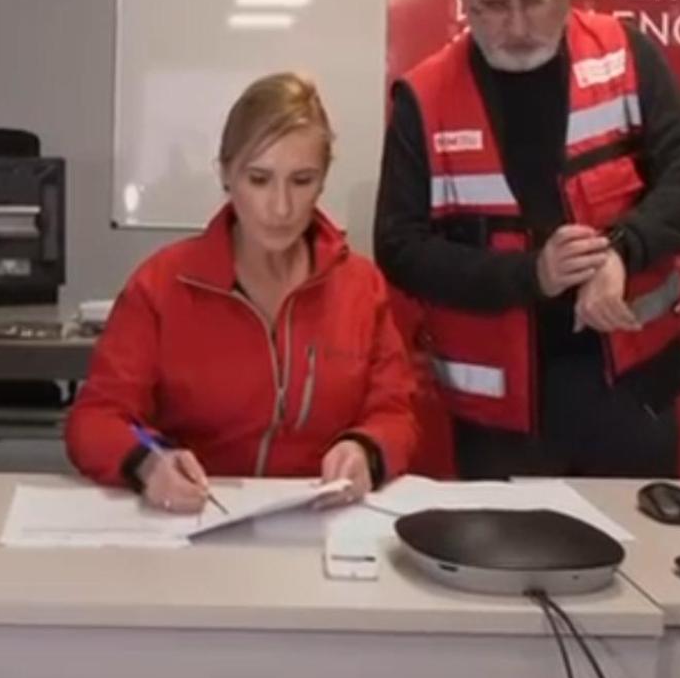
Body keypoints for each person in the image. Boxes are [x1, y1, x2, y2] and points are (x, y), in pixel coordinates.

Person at [375, 0, 680, 479]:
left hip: (631, 400)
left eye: (537, 0)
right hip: (499, 423)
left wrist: (622, 249)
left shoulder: (624, 54)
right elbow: (399, 248)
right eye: (491, 8)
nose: (515, 28)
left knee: (639, 562)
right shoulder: (424, 98)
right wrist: (531, 275)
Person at [66, 72, 420, 512]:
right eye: (258, 179)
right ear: (226, 174)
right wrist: (147, 464)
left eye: (302, 180)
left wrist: (366, 449)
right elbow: (97, 418)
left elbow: (395, 413)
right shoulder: (161, 285)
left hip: (320, 526)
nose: (281, 207)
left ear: (324, 179)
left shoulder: (361, 287)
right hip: (196, 522)